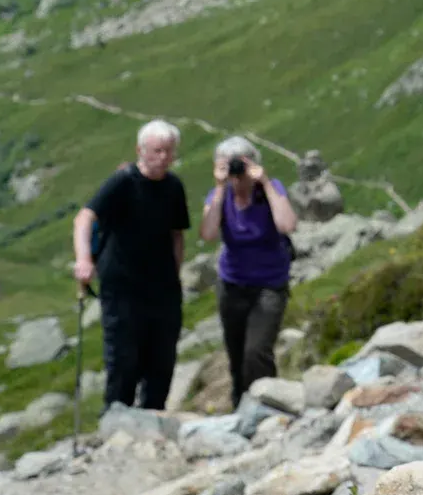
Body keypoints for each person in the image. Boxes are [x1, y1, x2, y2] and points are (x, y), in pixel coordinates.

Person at [73, 120, 189, 411]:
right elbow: (84, 218)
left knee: (162, 357)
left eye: (169, 152)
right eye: (157, 151)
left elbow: (177, 234)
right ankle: (115, 418)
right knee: (124, 358)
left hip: (161, 286)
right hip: (122, 285)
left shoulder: (174, 186)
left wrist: (175, 273)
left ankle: (153, 416)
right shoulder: (123, 182)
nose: (163, 157)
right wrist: (84, 260)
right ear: (141, 150)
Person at [201, 136, 298, 408]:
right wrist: (220, 188)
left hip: (269, 284)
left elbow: (287, 224)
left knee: (257, 351)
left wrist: (264, 182)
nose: (238, 175)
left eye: (241, 165)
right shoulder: (219, 196)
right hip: (232, 285)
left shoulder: (271, 189)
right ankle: (240, 405)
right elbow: (208, 232)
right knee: (235, 354)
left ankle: (267, 404)